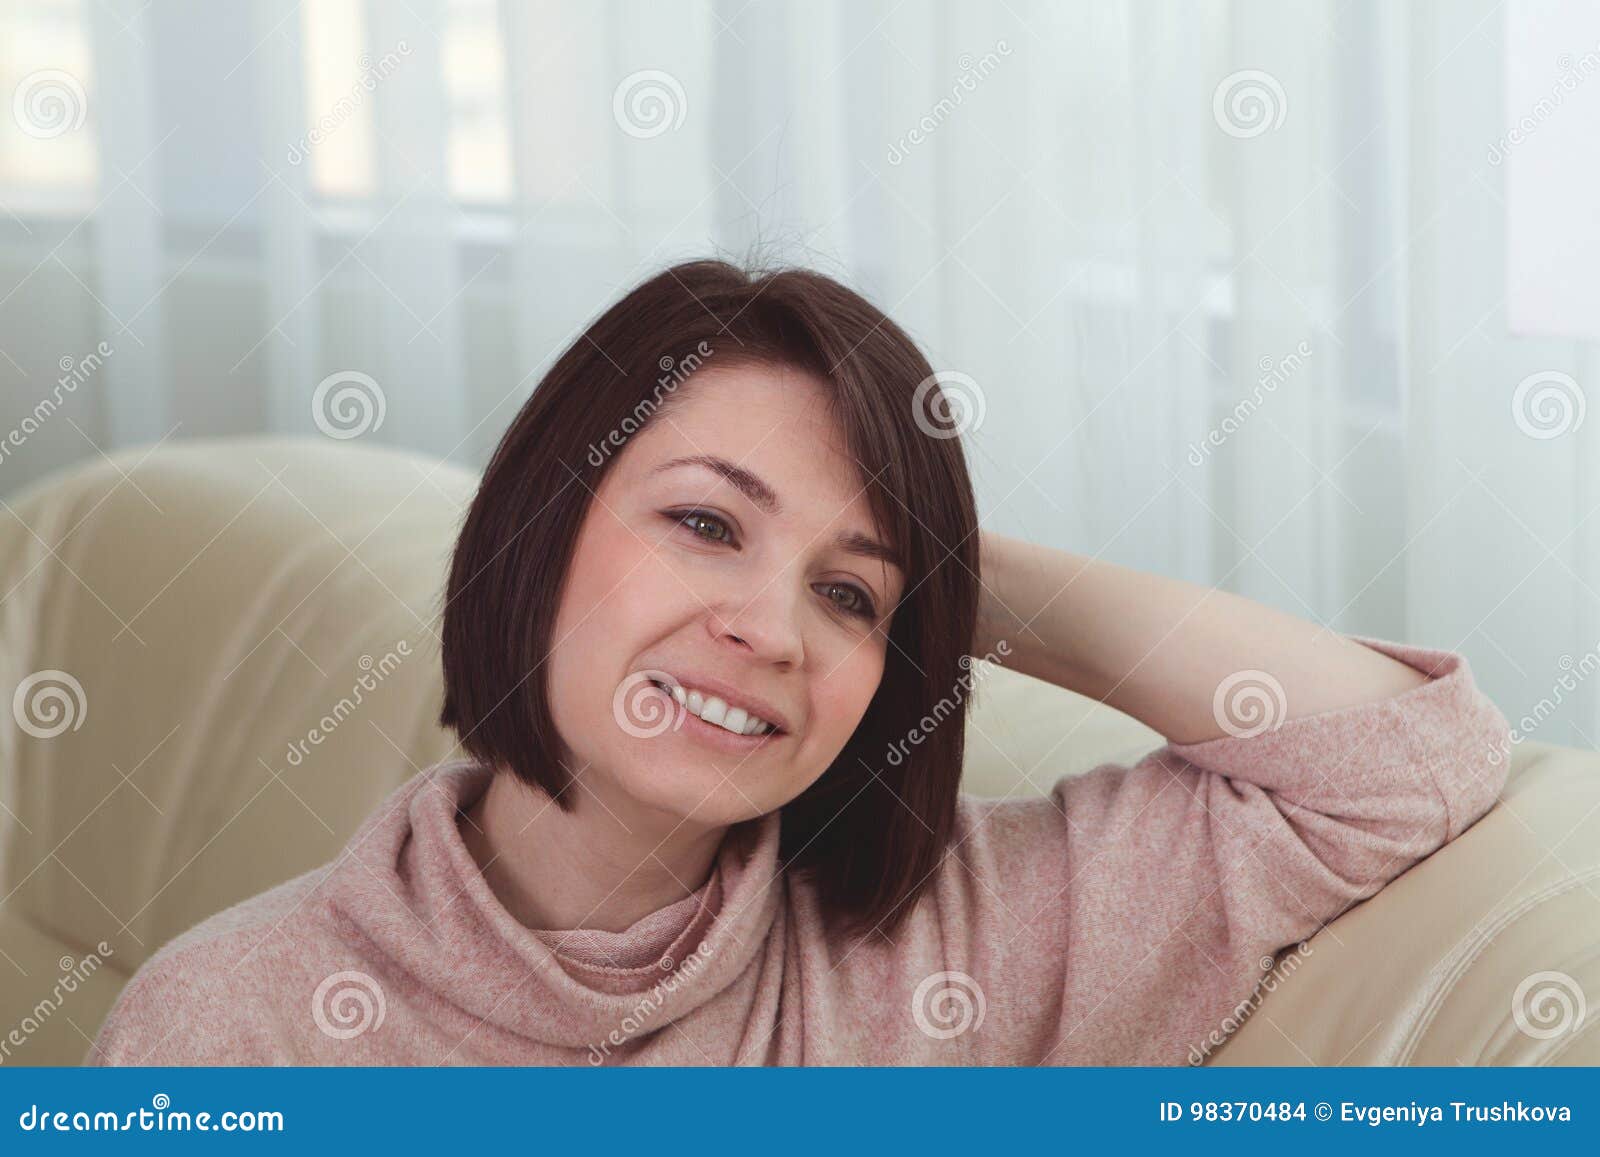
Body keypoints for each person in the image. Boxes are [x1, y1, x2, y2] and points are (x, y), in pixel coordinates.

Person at [87, 260, 1510, 1065]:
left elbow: (1400, 765)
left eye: (843, 594)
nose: (770, 630)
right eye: (706, 523)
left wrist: (945, 573)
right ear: (541, 525)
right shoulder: (235, 1024)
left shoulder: (962, 945)